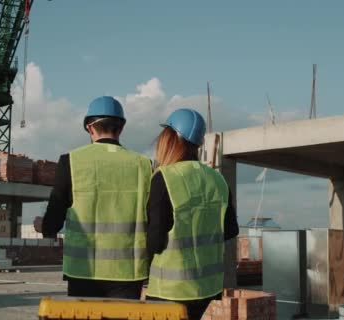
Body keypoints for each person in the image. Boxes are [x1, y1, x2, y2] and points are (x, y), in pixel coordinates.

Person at [33, 96, 152, 299]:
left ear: (90, 127)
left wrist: (43, 226)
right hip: (128, 272)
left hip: (83, 271)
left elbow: (56, 212)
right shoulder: (144, 164)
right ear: (121, 128)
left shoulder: (71, 161)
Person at [146, 108, 239, 320]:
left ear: (171, 140)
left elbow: (155, 241)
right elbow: (230, 230)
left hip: (170, 289)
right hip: (207, 288)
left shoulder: (164, 178)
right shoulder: (218, 180)